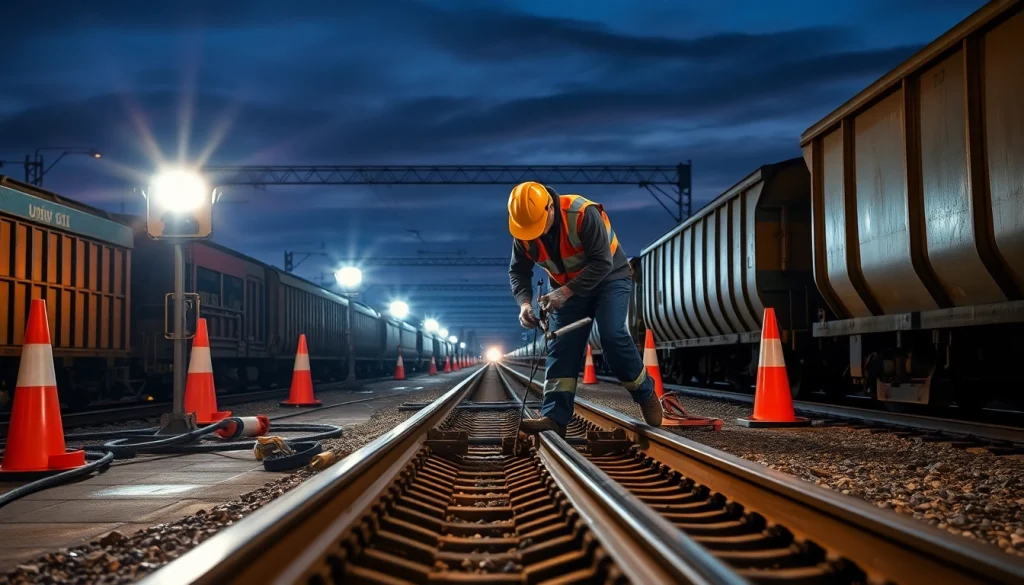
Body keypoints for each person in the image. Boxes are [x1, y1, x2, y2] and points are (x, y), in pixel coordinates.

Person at [507, 181, 663, 436]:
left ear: (550, 208)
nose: (533, 235)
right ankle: (554, 417)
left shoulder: (581, 213)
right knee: (562, 347)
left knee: (613, 336)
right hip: (566, 289)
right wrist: (524, 304)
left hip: (610, 279)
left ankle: (645, 393)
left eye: (537, 227)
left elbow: (602, 263)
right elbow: (518, 272)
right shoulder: (524, 233)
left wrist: (563, 293)